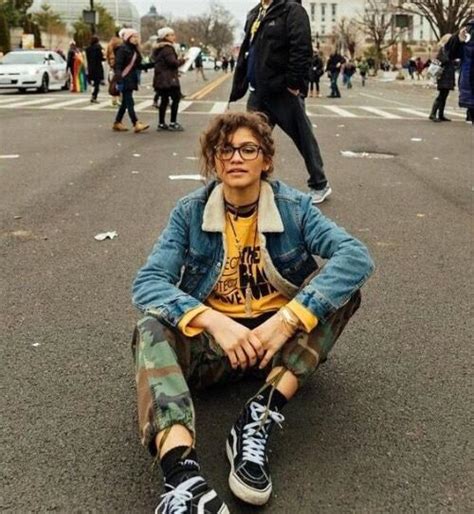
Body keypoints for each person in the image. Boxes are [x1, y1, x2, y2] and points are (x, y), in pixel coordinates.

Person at [131, 111, 374, 514]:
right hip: (216, 350)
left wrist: (287, 320)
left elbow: (355, 256)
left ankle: (258, 418)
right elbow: (148, 282)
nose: (236, 158)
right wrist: (213, 321)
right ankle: (182, 475)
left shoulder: (294, 208)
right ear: (214, 160)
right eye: (225, 150)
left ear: (266, 159)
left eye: (248, 149)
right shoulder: (190, 212)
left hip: (275, 348)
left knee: (342, 293)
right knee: (151, 327)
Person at [229, 0, 332, 204]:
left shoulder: (292, 10)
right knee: (250, 139)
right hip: (259, 91)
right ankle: (250, 184)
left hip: (283, 91)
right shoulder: (256, 13)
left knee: (303, 137)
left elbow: (301, 48)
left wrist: (293, 83)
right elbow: (249, 50)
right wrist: (241, 81)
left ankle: (319, 183)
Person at [112, 28, 153, 133]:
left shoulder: (135, 50)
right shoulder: (122, 49)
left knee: (125, 102)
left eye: (137, 37)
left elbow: (138, 66)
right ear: (128, 38)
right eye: (133, 37)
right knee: (129, 101)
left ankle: (117, 122)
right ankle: (136, 123)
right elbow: (117, 66)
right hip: (124, 79)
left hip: (131, 78)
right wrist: (119, 80)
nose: (136, 39)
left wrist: (153, 64)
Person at [152, 27, 186, 132]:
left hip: (161, 78)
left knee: (164, 100)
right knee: (176, 99)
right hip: (169, 79)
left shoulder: (159, 48)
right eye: (171, 35)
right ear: (165, 36)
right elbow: (173, 63)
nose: (174, 37)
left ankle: (161, 123)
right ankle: (173, 122)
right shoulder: (168, 48)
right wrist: (183, 60)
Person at [446, 18, 474, 124]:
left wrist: (458, 39)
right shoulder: (467, 31)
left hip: (467, 79)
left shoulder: (466, 31)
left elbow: (450, 53)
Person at [429, 34, 456, 122]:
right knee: (441, 95)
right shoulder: (443, 49)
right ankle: (433, 114)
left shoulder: (448, 50)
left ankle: (441, 114)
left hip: (448, 75)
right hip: (443, 75)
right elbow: (442, 60)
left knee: (444, 96)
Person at [85, 36, 105, 103]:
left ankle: (92, 95)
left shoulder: (88, 49)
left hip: (90, 67)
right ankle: (94, 96)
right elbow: (101, 58)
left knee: (92, 83)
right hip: (97, 67)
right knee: (97, 84)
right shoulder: (98, 48)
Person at [106, 30, 123, 106]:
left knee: (112, 81)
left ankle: (113, 99)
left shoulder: (110, 43)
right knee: (120, 81)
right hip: (120, 64)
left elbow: (107, 54)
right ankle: (120, 98)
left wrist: (109, 62)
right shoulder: (121, 42)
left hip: (112, 63)